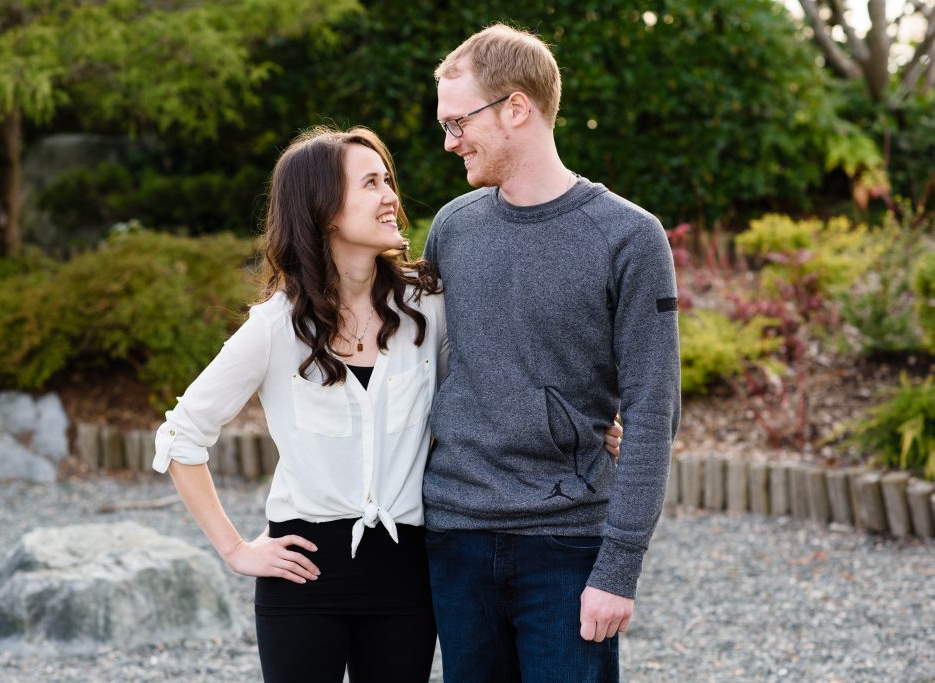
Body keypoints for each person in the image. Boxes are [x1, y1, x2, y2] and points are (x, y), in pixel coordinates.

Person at [149, 123, 630, 682]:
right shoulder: (275, 327)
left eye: (388, 180)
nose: (391, 197)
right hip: (304, 574)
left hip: (408, 573)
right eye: (371, 183)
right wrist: (235, 550)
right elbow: (182, 436)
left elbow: (490, 378)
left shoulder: (426, 308)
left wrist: (582, 421)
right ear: (325, 209)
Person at [423, 24, 681, 683]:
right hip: (455, 537)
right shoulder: (452, 228)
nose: (449, 141)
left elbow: (654, 408)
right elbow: (418, 367)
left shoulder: (629, 237)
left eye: (459, 123)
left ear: (516, 108)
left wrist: (618, 569)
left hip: (568, 545)